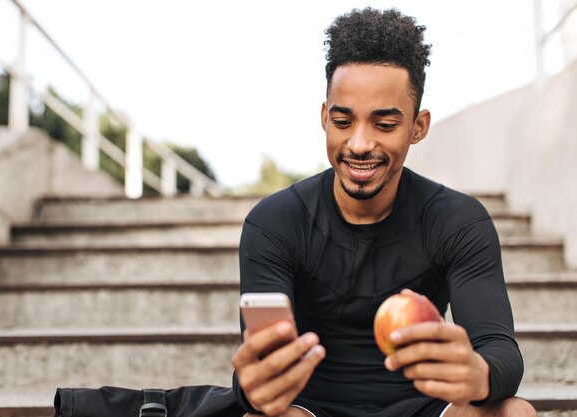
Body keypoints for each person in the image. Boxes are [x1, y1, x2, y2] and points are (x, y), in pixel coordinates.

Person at [230, 7, 537, 417]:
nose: (359, 143)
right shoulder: (274, 223)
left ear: (418, 126)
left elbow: (500, 352)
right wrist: (252, 386)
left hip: (428, 410)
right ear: (324, 117)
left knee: (515, 413)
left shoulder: (459, 222)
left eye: (384, 125)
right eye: (342, 120)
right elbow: (261, 367)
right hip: (310, 411)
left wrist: (478, 374)